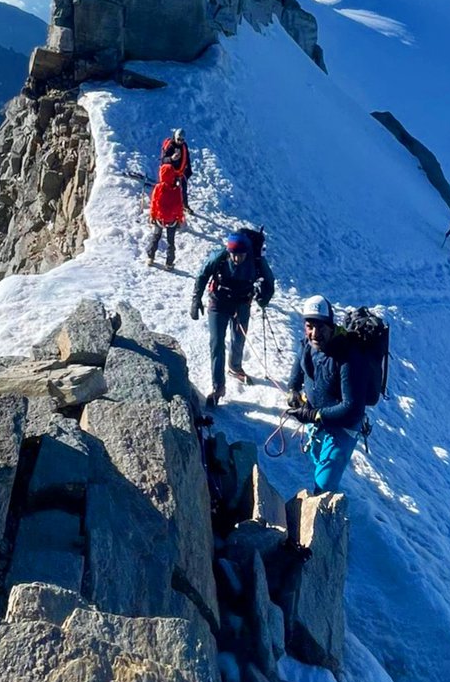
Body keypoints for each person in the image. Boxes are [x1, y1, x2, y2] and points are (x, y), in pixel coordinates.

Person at [284, 295, 367, 494]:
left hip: (343, 429)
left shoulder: (348, 357)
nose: (314, 333)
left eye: (320, 327)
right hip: (320, 423)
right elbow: (297, 373)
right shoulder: (307, 345)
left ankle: (326, 518)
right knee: (319, 465)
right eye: (310, 326)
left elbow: (352, 407)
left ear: (331, 326)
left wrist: (313, 415)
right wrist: (293, 392)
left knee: (324, 486)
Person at [191, 230, 274, 407]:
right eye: (234, 255)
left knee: (238, 338)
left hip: (242, 304)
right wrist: (196, 299)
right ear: (229, 252)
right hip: (218, 303)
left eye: (241, 255)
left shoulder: (256, 260)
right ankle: (218, 386)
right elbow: (202, 274)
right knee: (216, 343)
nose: (237, 259)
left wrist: (263, 298)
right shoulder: (220, 256)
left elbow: (269, 281)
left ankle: (235, 366)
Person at [145, 162, 184, 269]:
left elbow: (154, 202)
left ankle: (150, 257)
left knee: (155, 237)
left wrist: (152, 216)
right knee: (171, 241)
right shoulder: (176, 190)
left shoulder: (158, 188)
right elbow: (179, 205)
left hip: (159, 218)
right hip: (172, 220)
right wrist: (180, 218)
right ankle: (169, 263)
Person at [161, 128, 193, 215]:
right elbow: (163, 160)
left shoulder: (184, 146)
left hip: (181, 171)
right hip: (171, 172)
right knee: (171, 190)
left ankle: (185, 205)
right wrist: (171, 158)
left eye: (182, 140)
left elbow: (187, 158)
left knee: (183, 189)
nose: (180, 142)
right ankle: (168, 205)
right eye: (178, 139)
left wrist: (189, 170)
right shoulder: (170, 146)